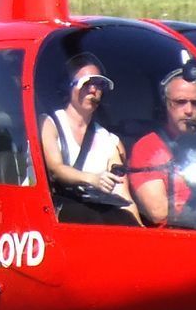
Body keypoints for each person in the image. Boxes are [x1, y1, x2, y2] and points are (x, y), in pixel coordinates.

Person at [40, 56, 137, 225]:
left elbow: (122, 192)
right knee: (88, 217)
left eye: (99, 84)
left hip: (92, 213)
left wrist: (138, 226)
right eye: (86, 83)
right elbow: (55, 169)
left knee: (124, 220)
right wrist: (92, 179)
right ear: (68, 86)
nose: (93, 90)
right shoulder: (49, 123)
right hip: (52, 212)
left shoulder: (109, 140)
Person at [129, 64, 196, 227]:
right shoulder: (148, 148)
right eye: (180, 102)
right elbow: (159, 213)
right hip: (175, 237)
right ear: (165, 105)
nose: (189, 110)